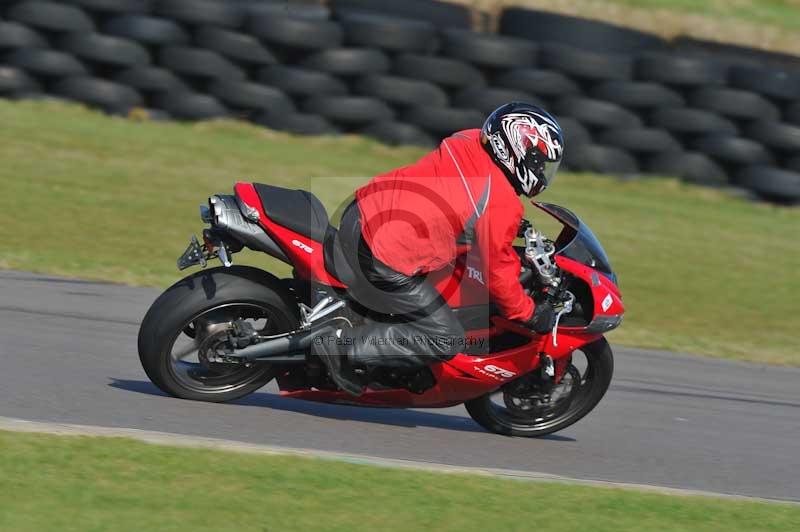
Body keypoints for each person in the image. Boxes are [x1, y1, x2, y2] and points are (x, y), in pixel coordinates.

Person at [315, 102, 565, 395]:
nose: (541, 171)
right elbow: (497, 272)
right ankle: (344, 346)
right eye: (537, 161)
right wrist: (529, 313)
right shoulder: (501, 205)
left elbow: (463, 196)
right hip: (382, 251)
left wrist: (507, 226)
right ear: (514, 149)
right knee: (446, 337)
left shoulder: (468, 139)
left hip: (363, 210)